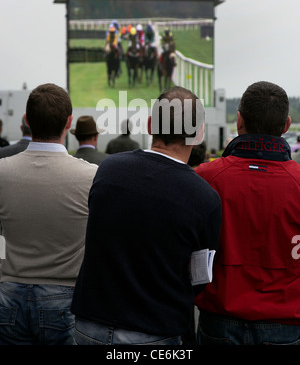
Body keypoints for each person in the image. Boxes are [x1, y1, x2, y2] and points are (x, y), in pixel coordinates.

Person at [71, 86, 222, 345]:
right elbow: (198, 278)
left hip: (90, 325)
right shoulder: (204, 198)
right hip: (153, 329)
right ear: (198, 134)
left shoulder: (108, 169)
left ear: (150, 124)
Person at [195, 81, 300, 346]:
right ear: (286, 125)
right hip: (284, 323)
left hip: (219, 319)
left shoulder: (205, 177)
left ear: (238, 120)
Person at [0, 83, 98, 345]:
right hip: (64, 295)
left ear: (28, 121)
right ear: (69, 122)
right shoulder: (90, 176)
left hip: (9, 293)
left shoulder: (2, 171)